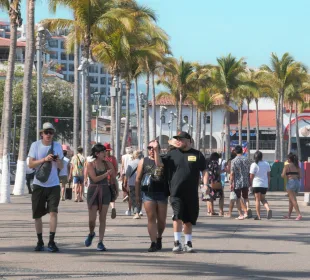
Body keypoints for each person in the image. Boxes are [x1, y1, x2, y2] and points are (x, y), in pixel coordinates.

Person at [153, 132, 209, 253]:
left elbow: (204, 170)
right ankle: (177, 242)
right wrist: (156, 151)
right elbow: (159, 164)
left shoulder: (197, 154)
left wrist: (205, 184)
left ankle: (188, 243)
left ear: (189, 141)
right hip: (175, 192)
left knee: (188, 219)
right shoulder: (172, 154)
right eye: (177, 139)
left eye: (181, 139)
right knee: (177, 216)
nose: (178, 141)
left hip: (191, 193)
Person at [28, 122, 63, 252]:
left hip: (54, 184)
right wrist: (44, 159)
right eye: (46, 132)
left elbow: (61, 167)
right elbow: (30, 164)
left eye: (51, 132)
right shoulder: (35, 145)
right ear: (41, 133)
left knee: (53, 212)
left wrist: (57, 160)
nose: (48, 135)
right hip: (39, 184)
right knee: (37, 214)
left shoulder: (57, 146)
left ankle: (51, 241)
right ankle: (40, 241)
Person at [136, 141, 168, 252]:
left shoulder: (164, 160)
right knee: (151, 218)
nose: (151, 150)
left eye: (154, 148)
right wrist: (137, 196)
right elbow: (138, 179)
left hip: (162, 193)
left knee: (162, 220)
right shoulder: (143, 161)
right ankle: (153, 242)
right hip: (148, 193)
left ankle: (159, 237)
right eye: (149, 148)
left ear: (159, 149)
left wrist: (156, 153)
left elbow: (160, 166)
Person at [84, 144, 116, 251]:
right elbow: (94, 178)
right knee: (92, 220)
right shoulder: (90, 164)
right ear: (97, 154)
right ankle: (91, 233)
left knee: (103, 218)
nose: (105, 153)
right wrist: (106, 174)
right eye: (103, 152)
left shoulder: (108, 164)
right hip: (93, 191)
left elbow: (113, 177)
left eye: (105, 151)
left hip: (105, 191)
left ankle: (100, 242)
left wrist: (115, 190)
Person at [230, 145, 252, 220]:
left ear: (235, 152)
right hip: (246, 180)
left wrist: (231, 182)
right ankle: (247, 209)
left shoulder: (234, 161)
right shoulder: (247, 160)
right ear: (242, 151)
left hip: (238, 182)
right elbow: (250, 171)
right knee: (246, 197)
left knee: (238, 198)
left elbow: (232, 173)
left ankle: (241, 214)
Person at [249, 151, 272, 220]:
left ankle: (258, 216)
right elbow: (268, 175)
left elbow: (251, 176)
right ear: (262, 157)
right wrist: (268, 184)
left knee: (257, 200)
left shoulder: (254, 164)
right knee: (263, 199)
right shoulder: (266, 164)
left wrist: (250, 184)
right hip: (264, 184)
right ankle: (268, 209)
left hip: (256, 184)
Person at [281, 153, 302, 220]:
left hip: (291, 182)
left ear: (289, 159)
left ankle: (299, 214)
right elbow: (300, 176)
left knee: (293, 200)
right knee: (291, 200)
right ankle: (289, 215)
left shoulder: (287, 166)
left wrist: (283, 173)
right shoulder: (297, 166)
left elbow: (283, 175)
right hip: (297, 183)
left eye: (287, 159)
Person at [126, 150, 143, 219]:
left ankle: (136, 212)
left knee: (133, 197)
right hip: (141, 182)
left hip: (132, 183)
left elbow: (127, 173)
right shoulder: (143, 162)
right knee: (140, 197)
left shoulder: (131, 163)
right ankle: (139, 211)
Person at [103, 143, 118, 219]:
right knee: (112, 195)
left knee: (104, 196)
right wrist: (114, 178)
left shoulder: (102, 159)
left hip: (103, 180)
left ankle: (104, 210)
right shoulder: (113, 158)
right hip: (111, 180)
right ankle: (113, 208)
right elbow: (116, 169)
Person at [121, 147, 133, 215]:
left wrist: (121, 173)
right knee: (130, 188)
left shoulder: (123, 156)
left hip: (125, 173)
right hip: (132, 173)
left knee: (124, 186)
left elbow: (122, 165)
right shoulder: (132, 156)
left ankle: (126, 195)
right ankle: (128, 195)